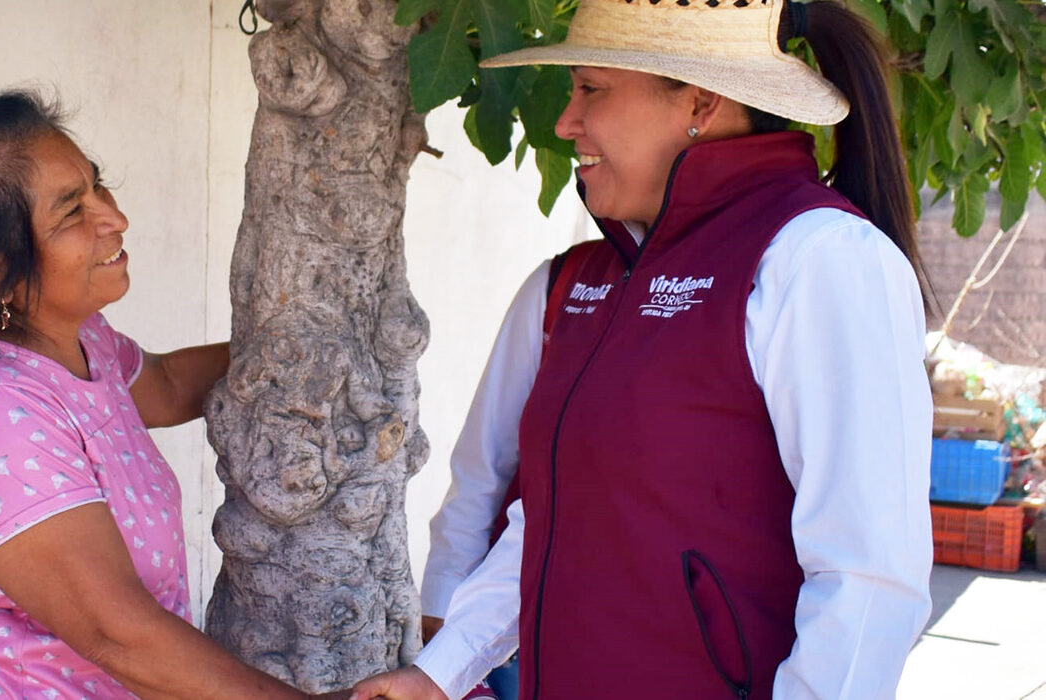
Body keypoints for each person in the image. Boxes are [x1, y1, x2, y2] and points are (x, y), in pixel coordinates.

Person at [355, 0, 934, 698]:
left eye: (590, 88)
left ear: (701, 100)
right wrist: (442, 674)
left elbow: (869, 578)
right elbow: (559, 521)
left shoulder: (819, 259)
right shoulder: (613, 274)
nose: (566, 122)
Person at [0, 91, 340, 700]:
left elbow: (163, 386)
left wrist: (306, 345)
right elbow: (118, 634)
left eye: (97, 186)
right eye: (70, 212)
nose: (113, 218)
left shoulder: (76, 337)